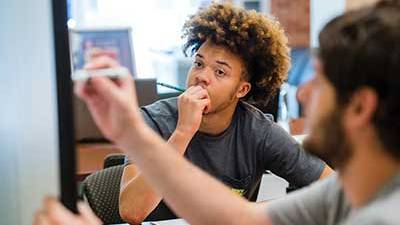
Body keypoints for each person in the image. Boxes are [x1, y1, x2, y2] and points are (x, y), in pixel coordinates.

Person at [34, 0, 400, 224]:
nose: (305, 92)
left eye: (320, 81)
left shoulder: (380, 213)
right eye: (200, 63)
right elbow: (239, 219)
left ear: (359, 107)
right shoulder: (349, 193)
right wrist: (136, 129)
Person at [116, 3, 331, 223]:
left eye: (219, 71)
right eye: (198, 63)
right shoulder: (152, 121)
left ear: (242, 89)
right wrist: (183, 132)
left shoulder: (257, 131)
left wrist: (251, 213)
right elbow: (132, 211)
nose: (202, 76)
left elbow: (335, 188)